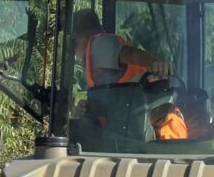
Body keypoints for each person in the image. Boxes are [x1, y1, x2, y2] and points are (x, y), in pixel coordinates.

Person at [72, 9, 186, 140]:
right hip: (137, 130)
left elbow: (129, 53)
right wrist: (88, 110)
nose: (74, 53)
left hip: (162, 129)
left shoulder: (98, 45)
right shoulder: (97, 56)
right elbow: (113, 102)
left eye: (72, 42)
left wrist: (155, 64)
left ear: (77, 35)